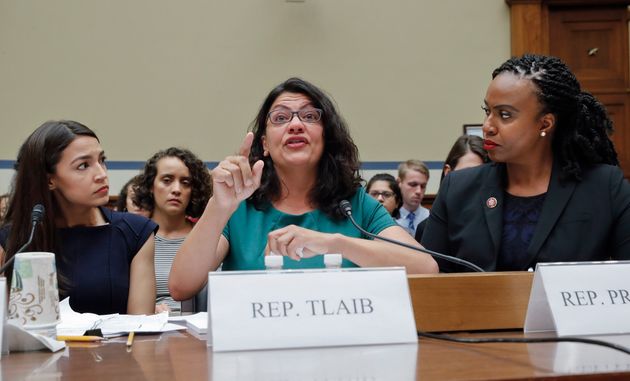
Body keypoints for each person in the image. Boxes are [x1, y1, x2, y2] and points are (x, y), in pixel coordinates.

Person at [169, 77, 438, 300]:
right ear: (264, 144)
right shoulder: (239, 205)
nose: (296, 124)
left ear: (326, 137)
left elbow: (426, 270)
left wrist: (334, 243)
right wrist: (219, 206)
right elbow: (181, 287)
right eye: (281, 118)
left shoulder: (355, 204)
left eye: (309, 116)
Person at [421, 54, 630, 272]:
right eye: (487, 111)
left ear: (545, 123)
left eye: (504, 115)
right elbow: (430, 277)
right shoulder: (458, 188)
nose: (487, 126)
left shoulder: (604, 186)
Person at [0, 120, 156, 314]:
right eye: (83, 166)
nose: (101, 174)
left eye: (102, 160)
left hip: (121, 345)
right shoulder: (17, 240)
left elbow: (141, 327)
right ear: (50, 180)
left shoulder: (136, 232)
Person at [134, 147, 212, 313]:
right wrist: (146, 309)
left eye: (185, 183)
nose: (176, 189)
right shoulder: (135, 238)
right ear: (150, 186)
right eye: (167, 180)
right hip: (150, 328)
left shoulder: (209, 238)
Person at [415, 135, 488, 241]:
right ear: (448, 172)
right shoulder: (426, 228)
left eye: (482, 174)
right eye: (467, 173)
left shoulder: (498, 225)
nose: (475, 181)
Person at [396, 160, 430, 235]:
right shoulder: (389, 218)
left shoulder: (430, 218)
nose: (418, 191)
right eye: (413, 184)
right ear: (399, 183)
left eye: (423, 186)